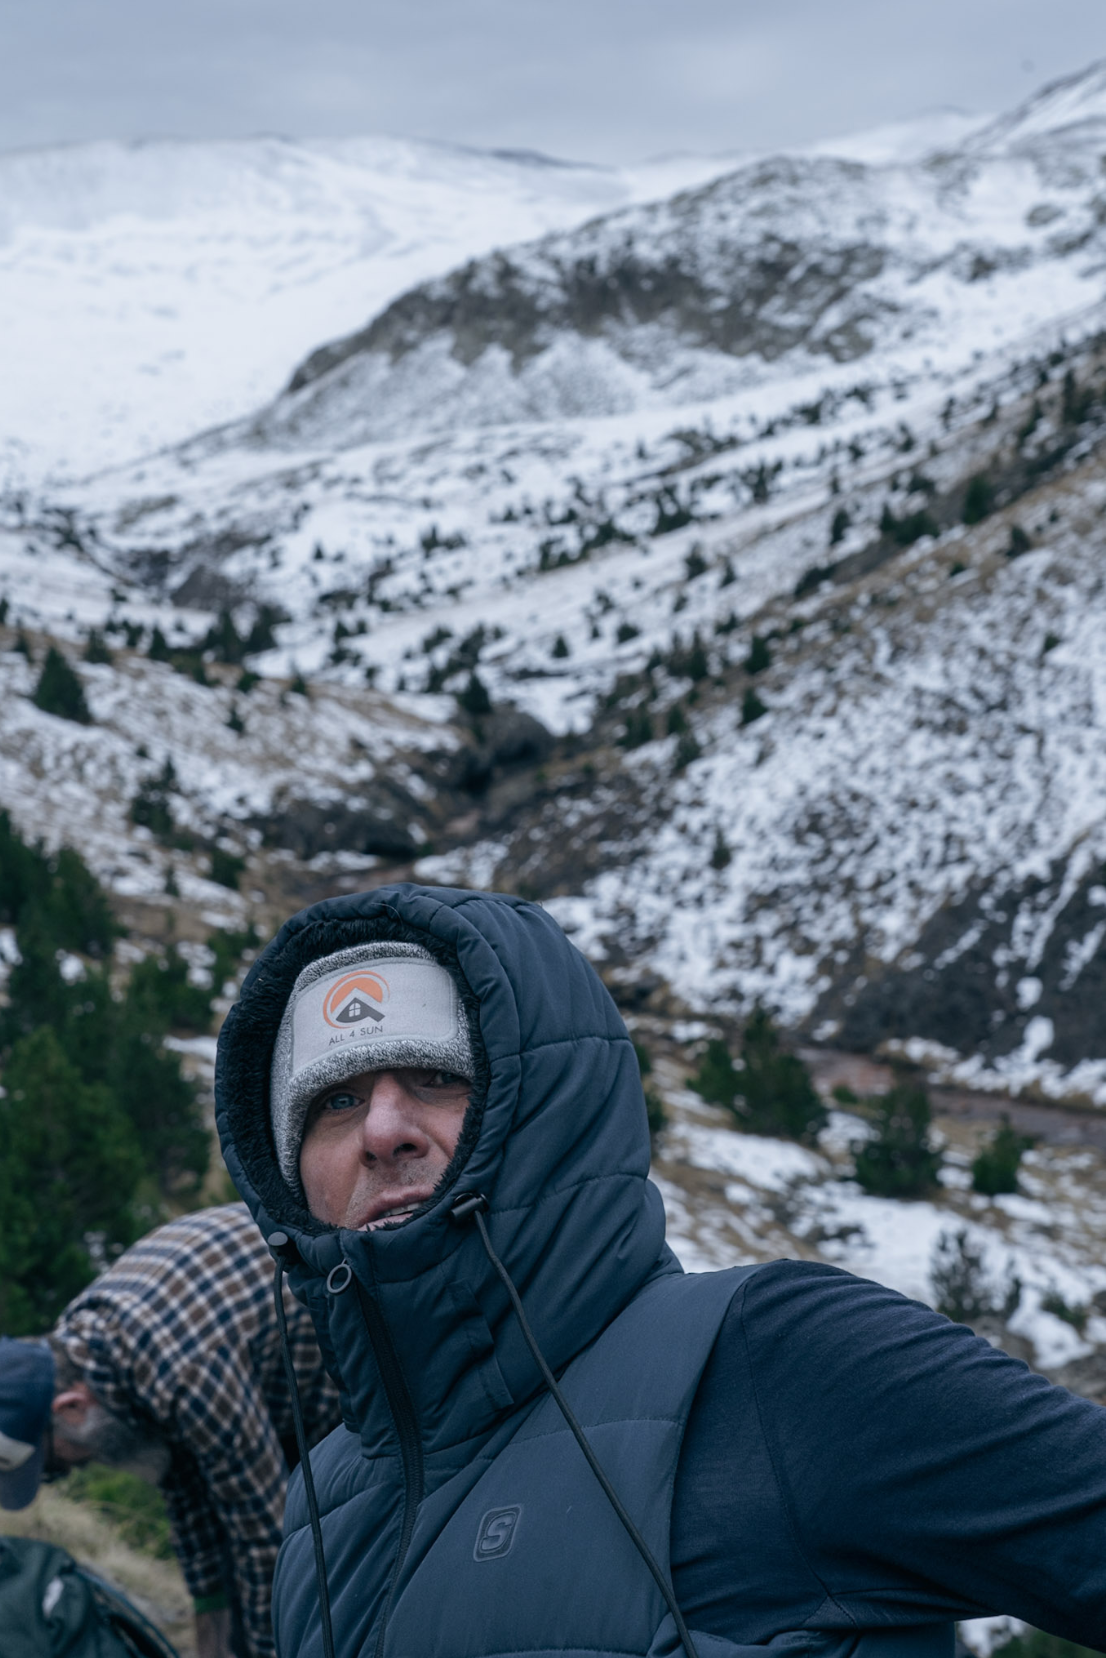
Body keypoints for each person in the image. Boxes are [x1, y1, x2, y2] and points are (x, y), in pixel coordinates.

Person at [212, 886, 1106, 1658]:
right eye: (335, 1101)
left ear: (543, 1112)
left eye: (435, 1079)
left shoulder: (776, 1362)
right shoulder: (323, 1506)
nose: (382, 1130)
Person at [0, 1203, 341, 1658]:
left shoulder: (182, 1372)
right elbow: (182, 1487)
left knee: (318, 1559)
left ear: (73, 1406)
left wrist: (266, 1648)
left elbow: (269, 1538)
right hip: (245, 1373)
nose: (71, 1470)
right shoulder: (81, 1350)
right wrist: (209, 1637)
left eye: (56, 1462)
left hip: (331, 1373)